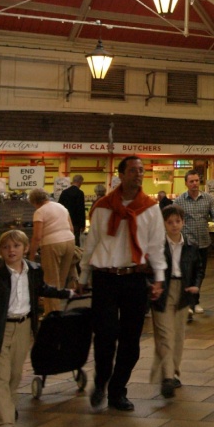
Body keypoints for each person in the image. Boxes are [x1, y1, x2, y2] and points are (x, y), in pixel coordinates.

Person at [79, 156, 165, 412]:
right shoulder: (103, 207)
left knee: (131, 340)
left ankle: (118, 390)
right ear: (121, 175)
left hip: (134, 278)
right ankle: (101, 382)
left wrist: (159, 278)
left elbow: (156, 245)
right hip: (105, 278)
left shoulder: (150, 208)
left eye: (142, 170)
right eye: (133, 170)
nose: (139, 174)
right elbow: (91, 244)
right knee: (105, 336)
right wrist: (83, 277)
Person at [0, 230, 73, 427]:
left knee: (15, 375)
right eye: (6, 247)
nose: (11, 250)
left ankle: (7, 407)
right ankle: (3, 424)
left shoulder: (34, 271)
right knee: (1, 376)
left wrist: (67, 293)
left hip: (24, 327)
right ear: (0, 251)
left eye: (16, 246)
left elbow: (42, 289)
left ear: (26, 249)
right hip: (0, 330)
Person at [150, 205, 200, 399]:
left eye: (177, 221)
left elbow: (199, 268)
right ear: (163, 224)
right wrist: (152, 286)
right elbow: (149, 268)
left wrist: (195, 285)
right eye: (170, 222)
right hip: (163, 289)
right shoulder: (157, 245)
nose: (174, 225)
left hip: (183, 290)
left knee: (178, 334)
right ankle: (167, 377)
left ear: (183, 222)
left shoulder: (190, 245)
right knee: (165, 334)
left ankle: (174, 372)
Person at [172, 170, 214, 317]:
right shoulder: (179, 201)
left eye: (196, 181)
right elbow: (173, 219)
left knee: (200, 273)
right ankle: (189, 303)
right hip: (187, 243)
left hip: (203, 242)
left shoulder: (208, 199)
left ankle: (195, 301)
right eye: (191, 181)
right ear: (186, 183)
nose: (195, 184)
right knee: (188, 272)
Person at [28, 188, 76, 314]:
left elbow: (37, 236)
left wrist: (31, 255)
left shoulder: (40, 212)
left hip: (52, 244)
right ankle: (59, 311)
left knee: (50, 282)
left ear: (34, 201)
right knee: (61, 280)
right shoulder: (61, 207)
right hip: (69, 241)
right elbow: (71, 228)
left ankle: (52, 314)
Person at [58, 175, 87, 246]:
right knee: (75, 240)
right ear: (80, 182)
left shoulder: (64, 192)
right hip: (76, 222)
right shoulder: (80, 193)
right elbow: (81, 209)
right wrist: (82, 224)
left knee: (65, 239)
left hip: (65, 221)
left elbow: (59, 206)